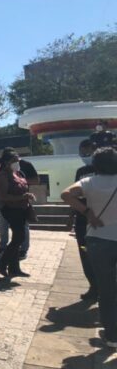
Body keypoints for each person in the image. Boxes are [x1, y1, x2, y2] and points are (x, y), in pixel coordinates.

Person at [61, 147, 117, 347]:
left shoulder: (89, 181)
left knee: (106, 288)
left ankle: (112, 335)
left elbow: (66, 194)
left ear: (95, 164)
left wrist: (88, 213)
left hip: (98, 239)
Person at [64, 140, 98, 301]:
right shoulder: (81, 171)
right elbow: (73, 196)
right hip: (82, 220)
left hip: (102, 218)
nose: (85, 156)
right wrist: (71, 216)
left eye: (88, 152)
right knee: (85, 252)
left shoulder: (108, 170)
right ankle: (93, 285)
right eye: (82, 153)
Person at [0, 149, 35, 279]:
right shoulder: (2, 176)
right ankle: (2, 263)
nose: (17, 162)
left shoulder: (17, 173)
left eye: (18, 160)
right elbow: (3, 196)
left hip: (21, 209)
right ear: (7, 162)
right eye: (14, 160)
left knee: (18, 238)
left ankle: (14, 268)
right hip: (11, 209)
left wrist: (26, 196)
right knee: (19, 237)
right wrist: (22, 197)